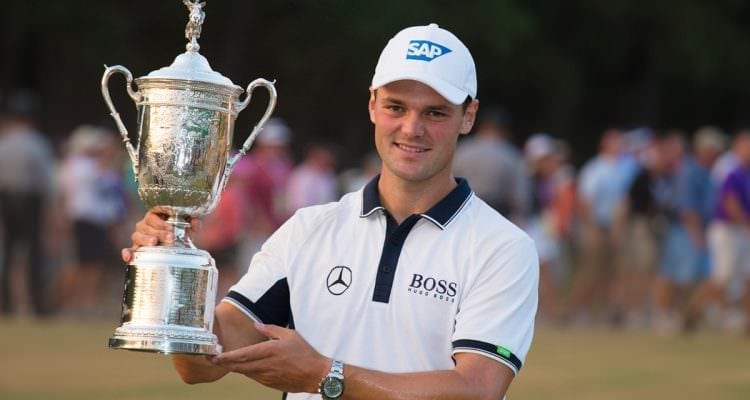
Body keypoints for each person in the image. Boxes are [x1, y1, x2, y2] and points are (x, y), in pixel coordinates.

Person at [123, 24, 539, 399]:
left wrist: (326, 375)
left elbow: (477, 389)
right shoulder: (309, 228)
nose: (413, 128)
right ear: (373, 105)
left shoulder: (502, 247)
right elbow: (201, 365)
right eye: (397, 107)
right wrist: (172, 272)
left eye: (435, 113)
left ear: (469, 116)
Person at [0, 91, 56, 316]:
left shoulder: (4, 143)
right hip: (31, 200)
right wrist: (51, 209)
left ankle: (5, 304)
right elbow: (46, 180)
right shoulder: (37, 143)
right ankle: (38, 304)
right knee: (35, 253)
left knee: (9, 250)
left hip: (6, 198)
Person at [452, 105, 530, 223]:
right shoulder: (511, 155)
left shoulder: (462, 150)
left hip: (460, 211)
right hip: (497, 216)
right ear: (504, 130)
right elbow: (521, 199)